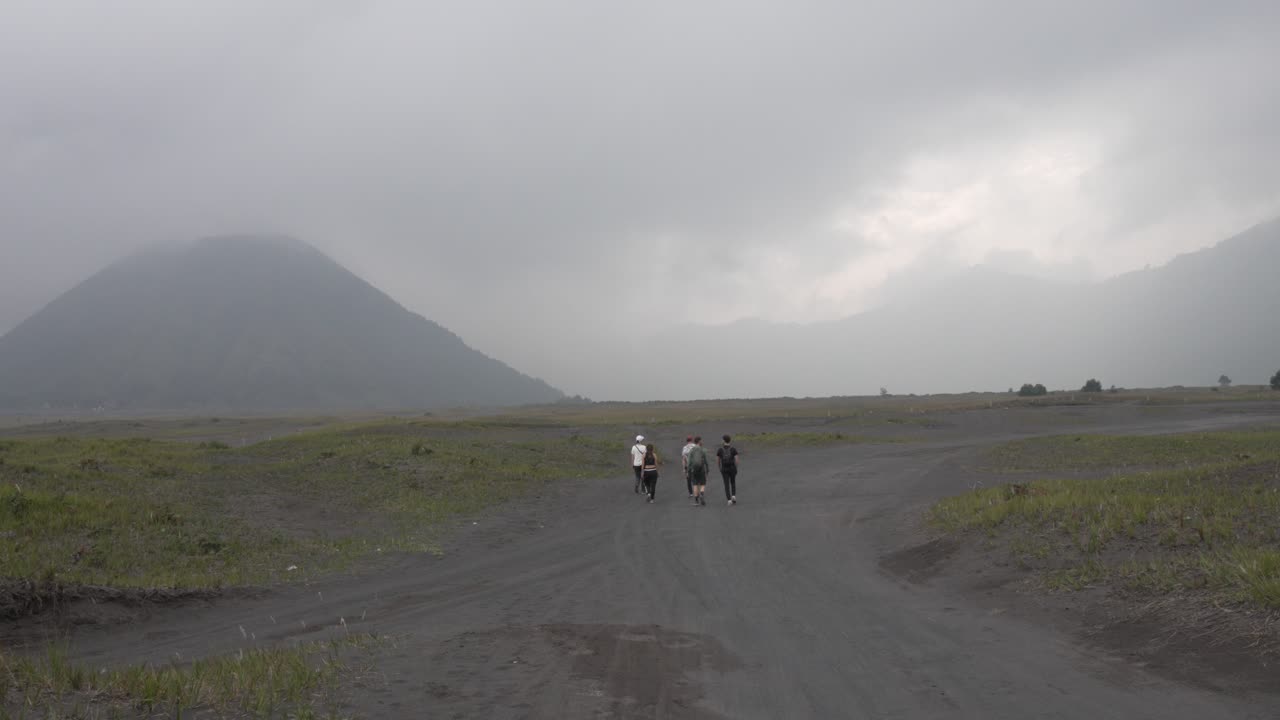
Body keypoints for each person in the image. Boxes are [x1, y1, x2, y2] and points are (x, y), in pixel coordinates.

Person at [717, 434, 740, 505]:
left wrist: (719, 468)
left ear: (724, 440)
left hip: (724, 468)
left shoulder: (720, 450)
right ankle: (733, 496)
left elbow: (718, 460)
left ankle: (729, 500)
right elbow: (736, 459)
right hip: (732, 468)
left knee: (726, 484)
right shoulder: (733, 449)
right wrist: (736, 467)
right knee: (733, 482)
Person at [686, 436, 710, 506]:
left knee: (695, 484)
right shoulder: (703, 450)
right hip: (701, 469)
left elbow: (689, 461)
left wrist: (688, 470)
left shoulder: (692, 450)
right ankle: (702, 494)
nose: (702, 442)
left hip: (693, 469)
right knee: (703, 483)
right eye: (701, 441)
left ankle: (696, 501)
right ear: (699, 441)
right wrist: (707, 469)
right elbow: (705, 461)